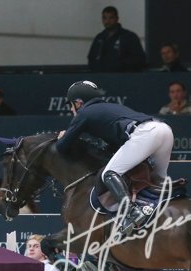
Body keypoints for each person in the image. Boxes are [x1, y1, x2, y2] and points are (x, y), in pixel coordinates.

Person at [56, 80, 174, 235]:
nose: (71, 109)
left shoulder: (84, 113)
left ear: (79, 103)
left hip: (145, 134)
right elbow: (113, 147)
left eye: (71, 105)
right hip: (164, 130)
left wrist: (62, 137)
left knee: (109, 173)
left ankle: (131, 212)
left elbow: (62, 147)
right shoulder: (109, 108)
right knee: (158, 182)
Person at [87, 5, 146, 72]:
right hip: (101, 76)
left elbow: (139, 59)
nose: (107, 21)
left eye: (111, 18)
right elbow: (91, 58)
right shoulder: (99, 38)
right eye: (104, 18)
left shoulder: (129, 37)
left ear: (117, 18)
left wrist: (120, 65)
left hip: (123, 76)